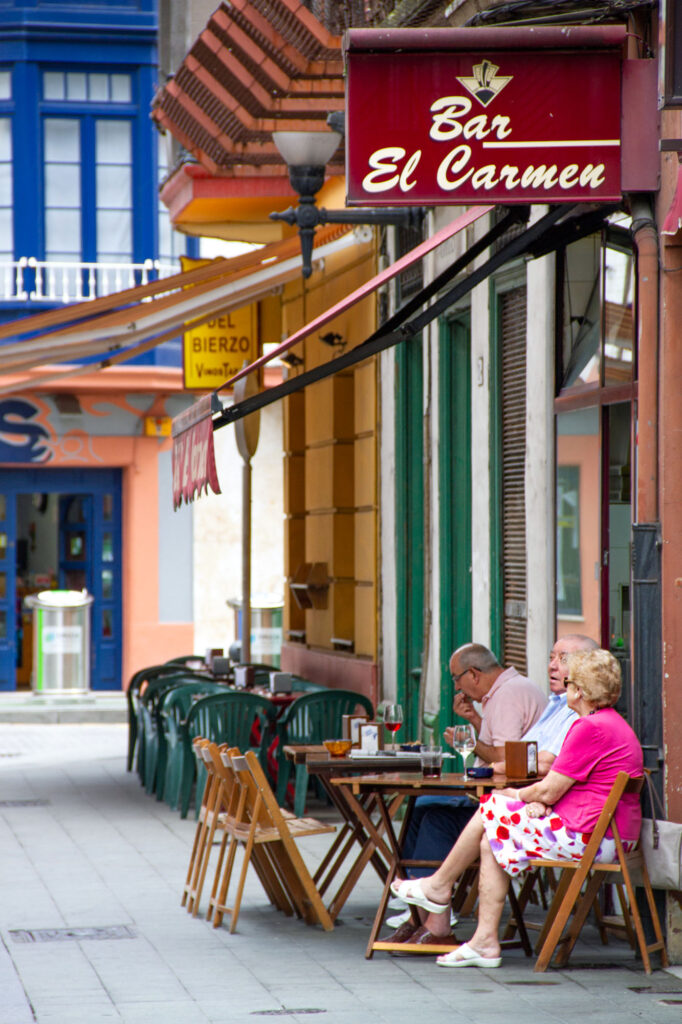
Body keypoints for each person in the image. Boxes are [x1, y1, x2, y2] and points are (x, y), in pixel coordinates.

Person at [391, 648, 643, 967]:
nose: (565, 688)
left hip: (594, 839)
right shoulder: (607, 723)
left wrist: (519, 795)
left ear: (579, 691)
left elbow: (551, 788)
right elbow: (568, 786)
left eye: (569, 684)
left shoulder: (589, 728)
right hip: (606, 835)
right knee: (490, 836)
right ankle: (484, 940)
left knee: (493, 804)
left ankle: (439, 887)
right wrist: (536, 800)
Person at [391, 643, 545, 948]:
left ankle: (435, 923)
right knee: (420, 808)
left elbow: (505, 761)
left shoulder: (507, 695)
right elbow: (504, 746)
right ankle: (421, 915)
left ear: (473, 674)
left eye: (456, 678)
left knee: (434, 816)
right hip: (508, 798)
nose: (455, 685)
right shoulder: (509, 690)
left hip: (514, 804)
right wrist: (475, 720)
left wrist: (471, 743)